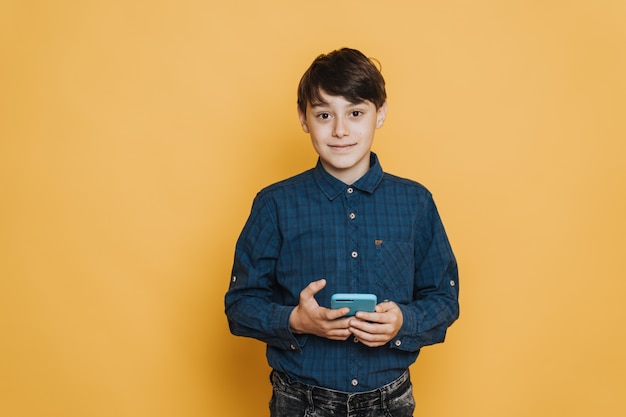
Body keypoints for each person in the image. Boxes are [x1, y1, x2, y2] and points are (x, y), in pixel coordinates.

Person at [225, 47, 459, 417]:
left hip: (390, 402)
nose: (340, 130)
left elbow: (443, 299)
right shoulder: (274, 205)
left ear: (380, 114)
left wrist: (403, 322)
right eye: (323, 114)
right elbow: (239, 306)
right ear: (304, 119)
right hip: (300, 402)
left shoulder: (415, 202)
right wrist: (294, 321)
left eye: (355, 112)